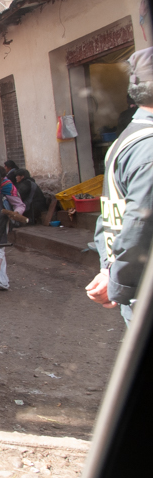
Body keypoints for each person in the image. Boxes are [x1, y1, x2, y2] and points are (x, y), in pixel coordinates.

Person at [87, 47, 153, 326]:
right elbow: (139, 225)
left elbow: (110, 213)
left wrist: (108, 269)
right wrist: (118, 281)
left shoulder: (125, 140)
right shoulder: (149, 147)